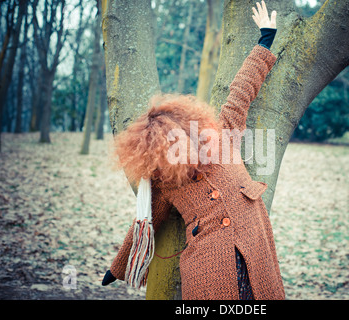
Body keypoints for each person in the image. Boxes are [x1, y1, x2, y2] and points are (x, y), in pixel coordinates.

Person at [100, 1, 284, 300]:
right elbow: (146, 222)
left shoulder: (221, 135)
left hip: (255, 248)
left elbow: (241, 91)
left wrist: (265, 39)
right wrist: (118, 268)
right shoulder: (164, 182)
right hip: (208, 265)